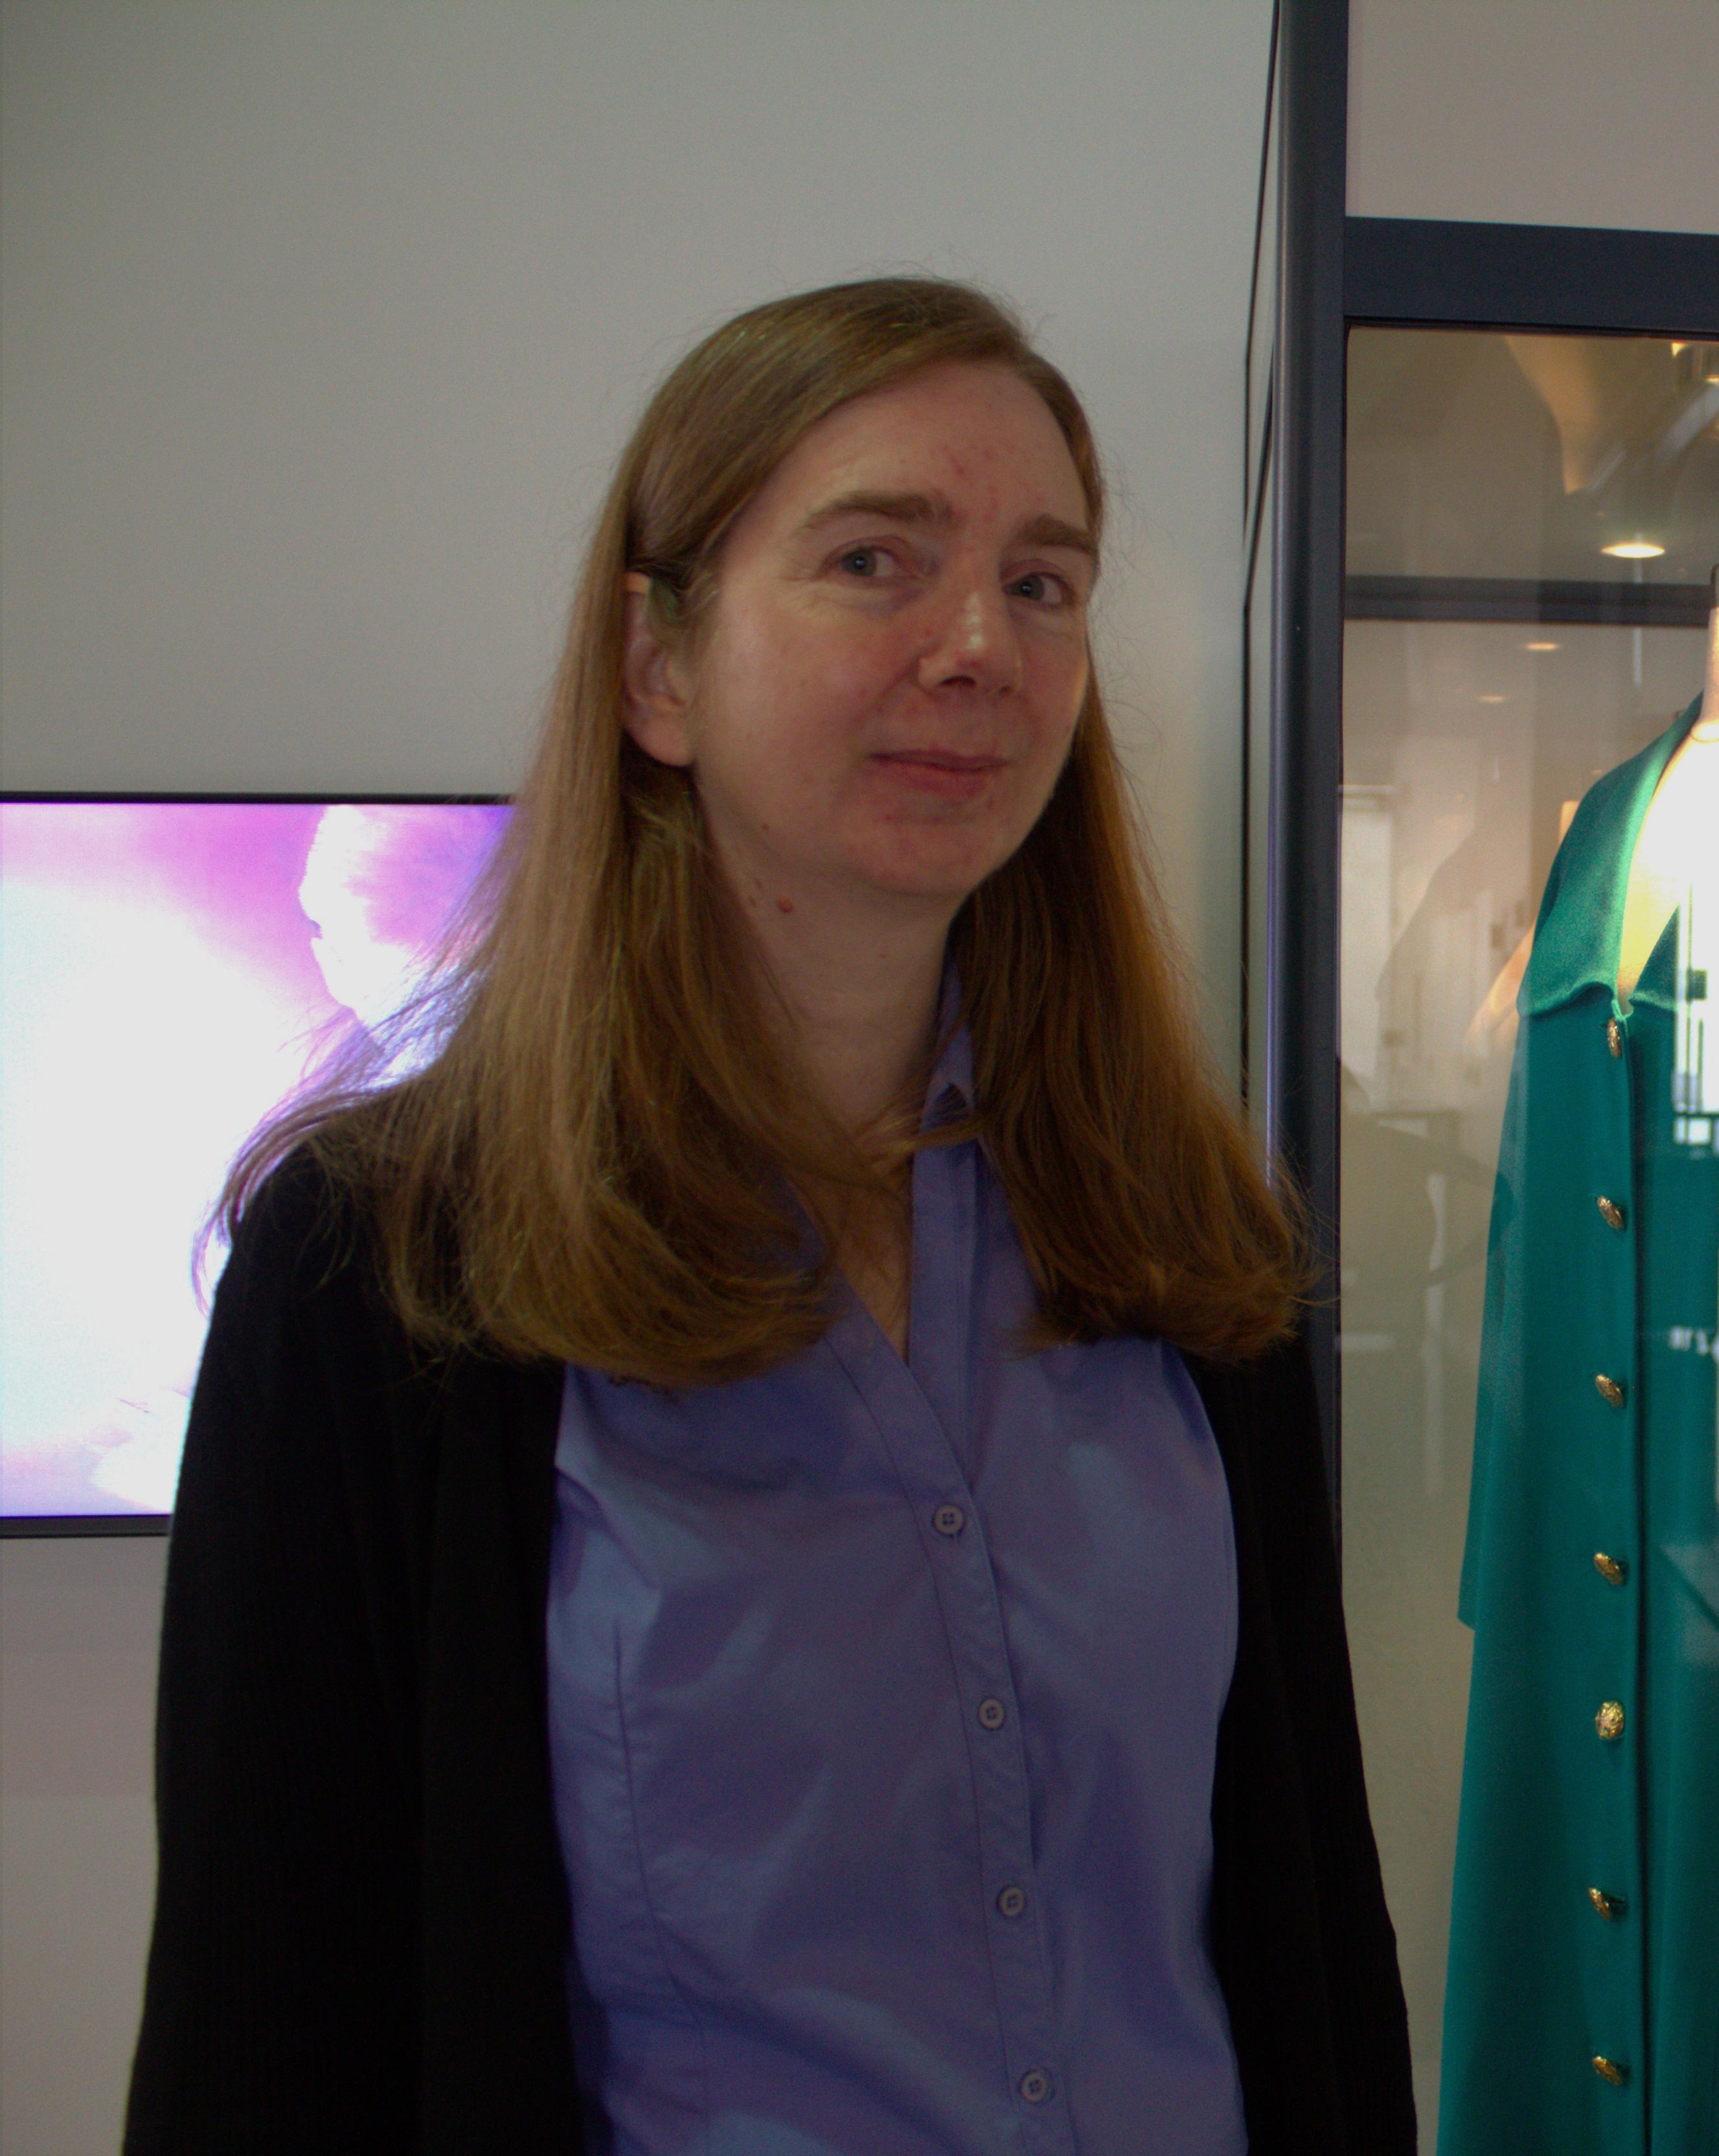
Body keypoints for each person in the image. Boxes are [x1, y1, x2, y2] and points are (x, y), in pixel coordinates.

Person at [124, 278, 1413, 2155]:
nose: (982, 643)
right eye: (876, 560)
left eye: (1043, 581)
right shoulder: (380, 1265)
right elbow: (270, 2023)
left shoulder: (1182, 1226)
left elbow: (1309, 1921)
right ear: (659, 668)